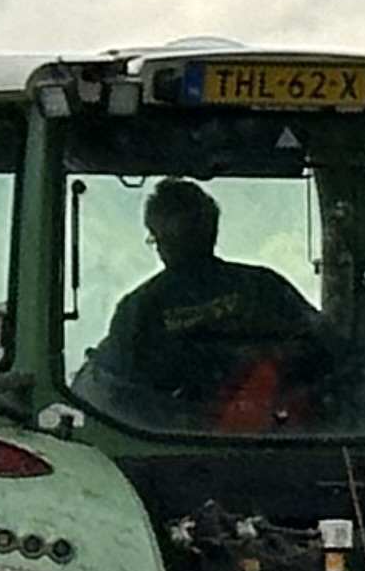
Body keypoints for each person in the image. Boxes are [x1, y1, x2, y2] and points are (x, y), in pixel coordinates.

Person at [84, 178, 327, 425]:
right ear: (212, 229)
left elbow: (112, 395)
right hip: (275, 443)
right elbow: (324, 351)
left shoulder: (138, 310)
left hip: (170, 449)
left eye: (156, 238)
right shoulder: (263, 286)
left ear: (161, 238)